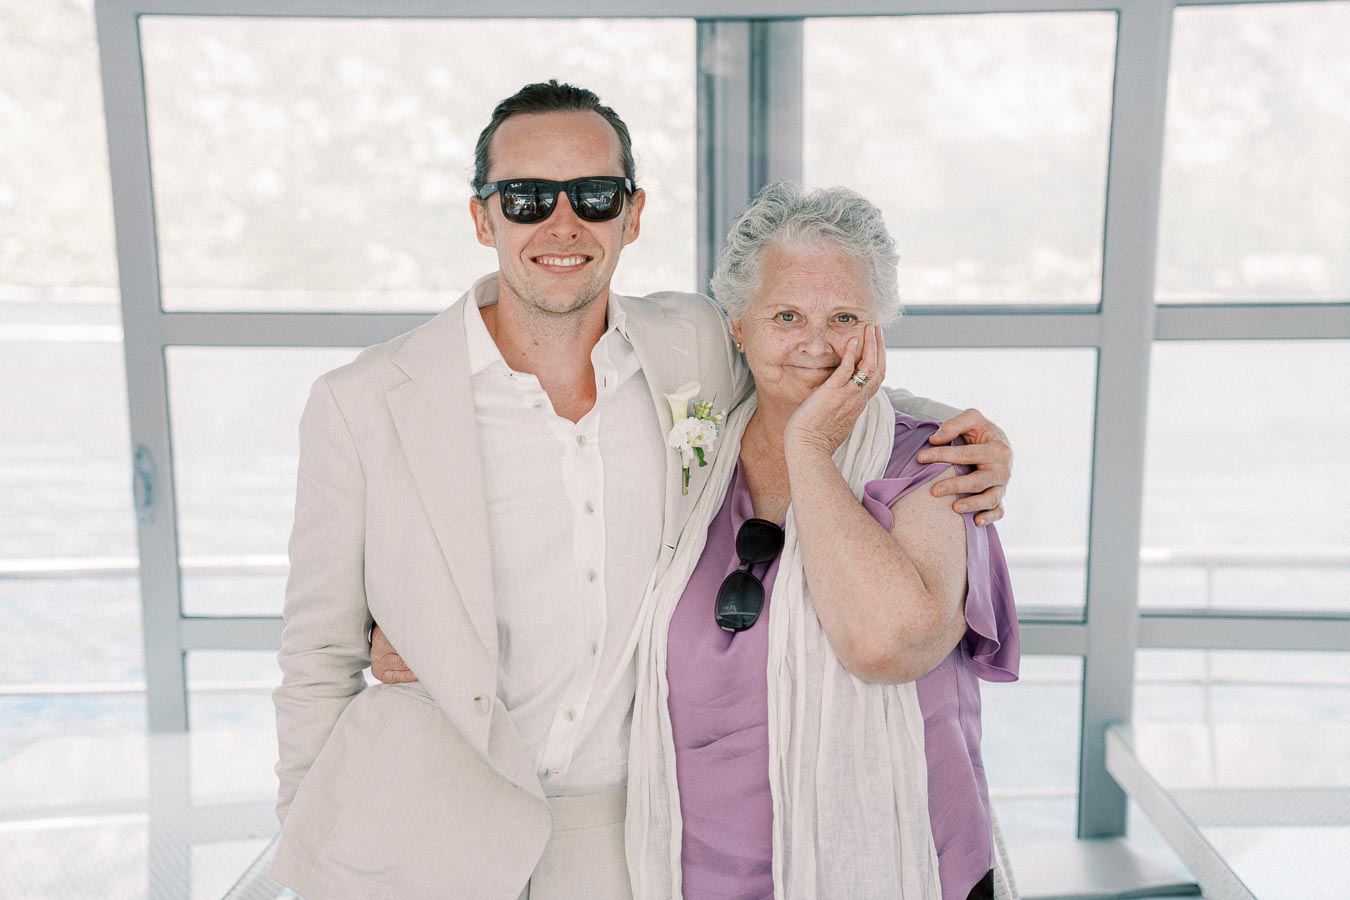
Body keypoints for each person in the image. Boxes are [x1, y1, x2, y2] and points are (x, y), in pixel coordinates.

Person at [275, 80, 1012, 900]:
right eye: (525, 198)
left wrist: (966, 437)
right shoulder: (362, 400)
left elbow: (809, 372)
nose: (562, 224)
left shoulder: (689, 344)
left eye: (593, 196)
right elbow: (316, 659)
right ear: (483, 217)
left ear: (632, 213)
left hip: (626, 840)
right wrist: (308, 838)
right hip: (416, 832)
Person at [621, 183, 1020, 900]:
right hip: (698, 875)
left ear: (877, 329)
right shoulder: (691, 457)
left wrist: (809, 448)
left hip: (898, 867)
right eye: (786, 315)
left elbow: (886, 645)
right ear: (738, 326)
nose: (815, 343)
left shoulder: (932, 466)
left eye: (844, 316)